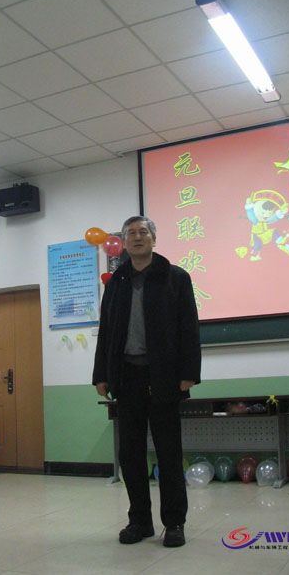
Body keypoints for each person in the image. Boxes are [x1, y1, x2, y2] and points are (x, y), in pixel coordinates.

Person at [93, 216, 201, 547]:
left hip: (165, 377)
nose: (138, 237)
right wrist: (101, 374)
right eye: (131, 233)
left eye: (144, 232)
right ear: (124, 242)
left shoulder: (175, 278)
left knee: (168, 454)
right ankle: (139, 521)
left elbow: (189, 327)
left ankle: (175, 523)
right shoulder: (116, 282)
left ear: (154, 239)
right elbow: (106, 331)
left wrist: (188, 373)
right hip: (127, 378)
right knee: (130, 456)